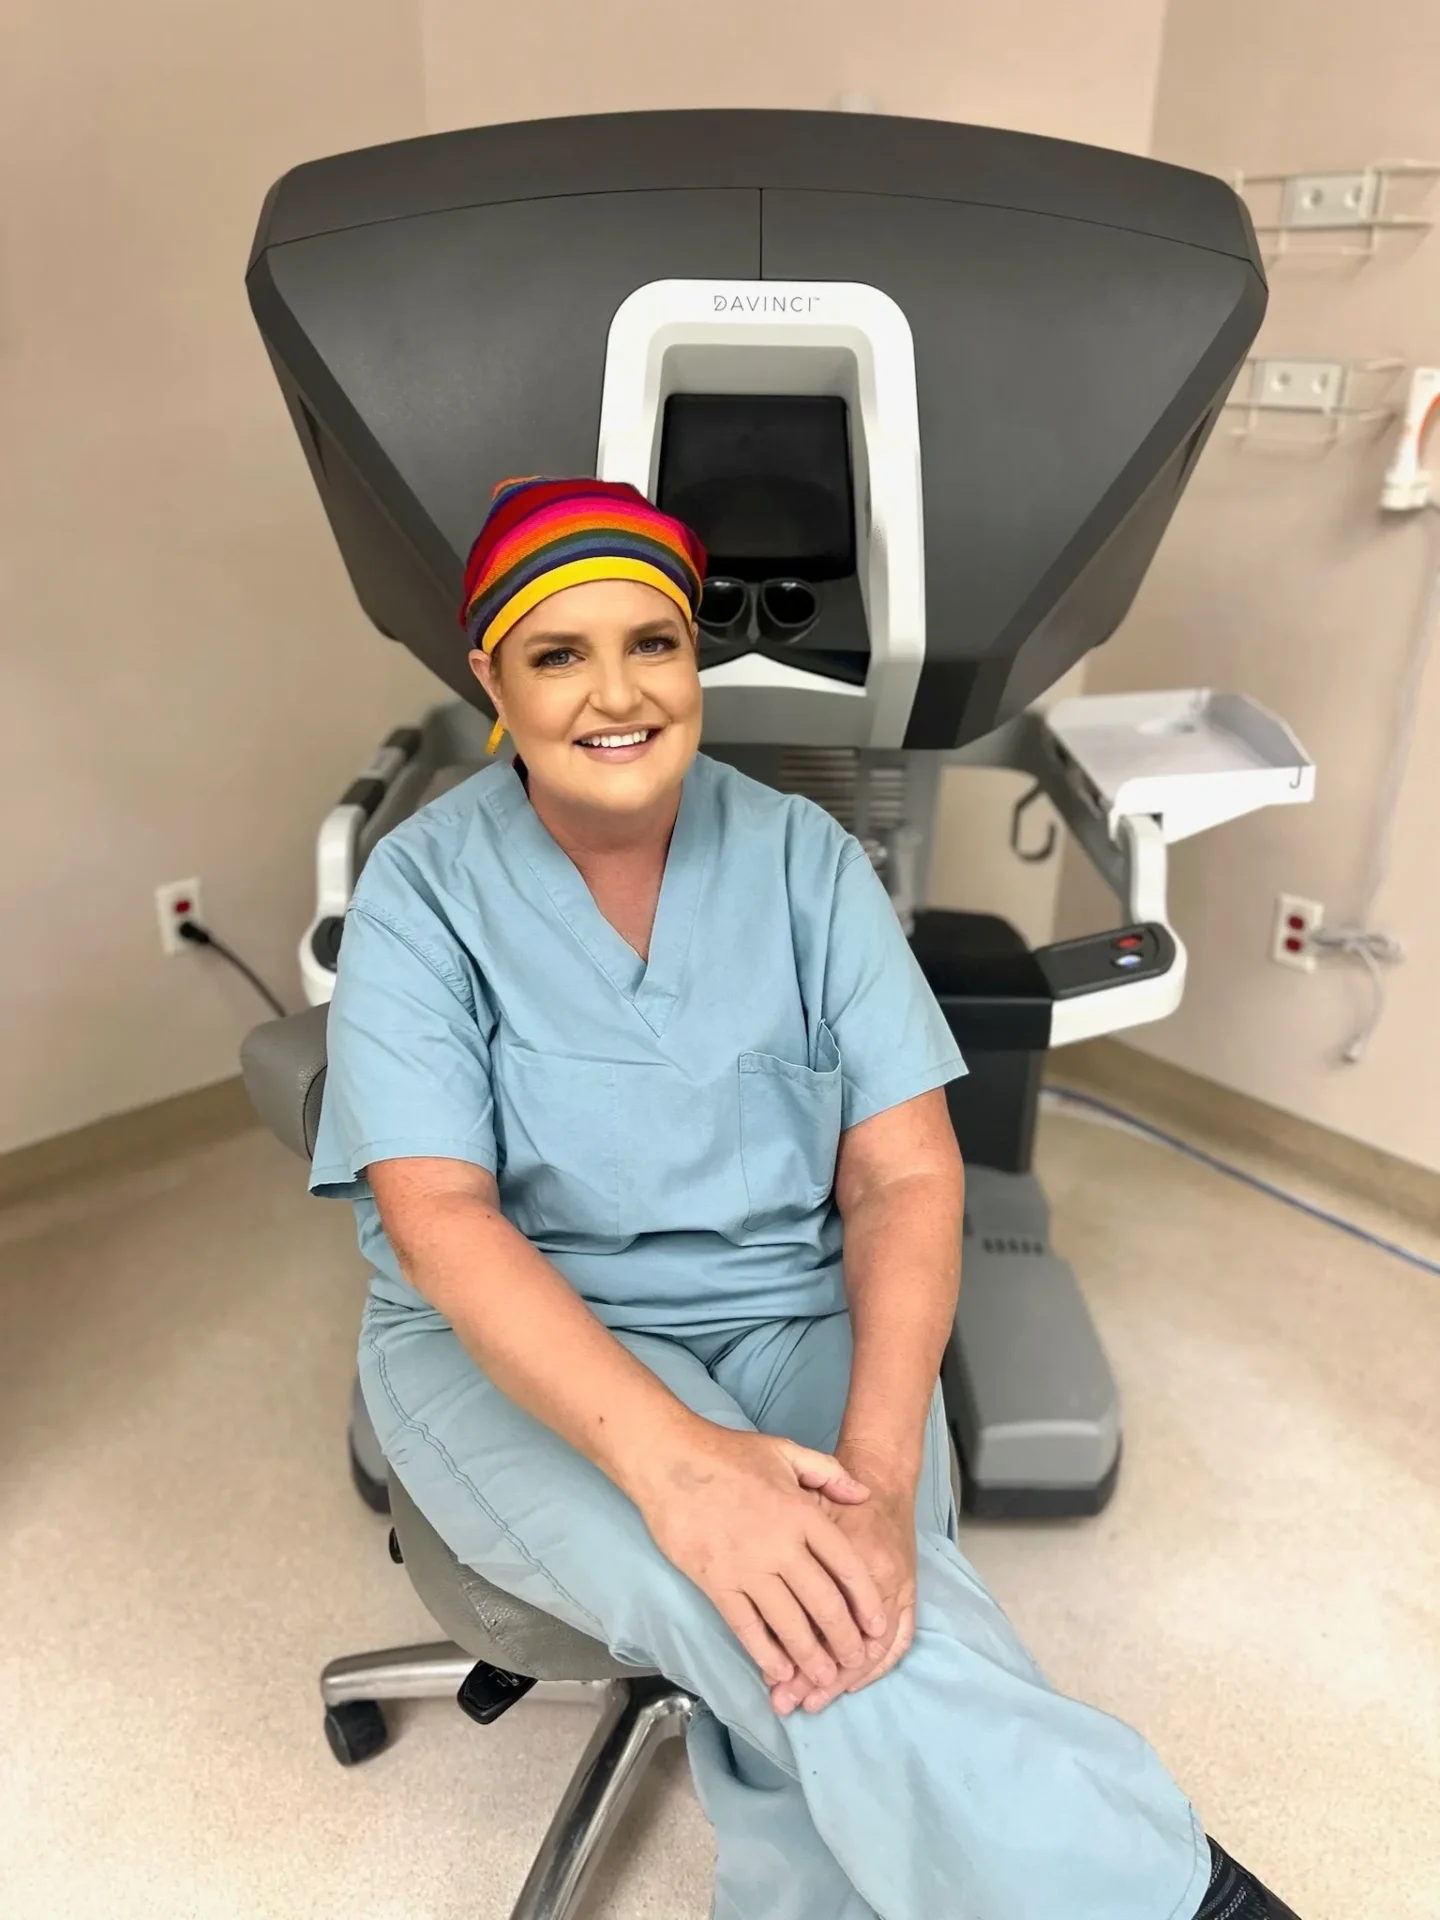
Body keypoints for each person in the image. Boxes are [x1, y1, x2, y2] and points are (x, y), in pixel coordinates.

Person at [309, 476, 1299, 1920]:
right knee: (773, 1603)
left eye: (650, 642)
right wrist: (683, 1471)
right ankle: (1180, 1895)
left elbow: (902, 1173)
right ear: (492, 677)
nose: (615, 693)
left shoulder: (802, 862)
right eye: (557, 654)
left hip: (788, 1309)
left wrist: (887, 1477)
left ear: (694, 653)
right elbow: (444, 1222)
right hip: (509, 1342)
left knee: (856, 1590)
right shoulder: (426, 891)